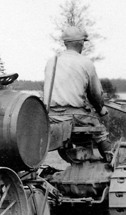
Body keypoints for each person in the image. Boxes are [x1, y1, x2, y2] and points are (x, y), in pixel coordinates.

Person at [43, 25, 112, 160]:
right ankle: (110, 162)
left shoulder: (52, 61)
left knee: (79, 132)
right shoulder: (85, 62)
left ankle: (77, 161)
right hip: (75, 116)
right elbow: (95, 95)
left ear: (65, 43)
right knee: (99, 131)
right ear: (81, 43)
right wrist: (101, 109)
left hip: (50, 116)